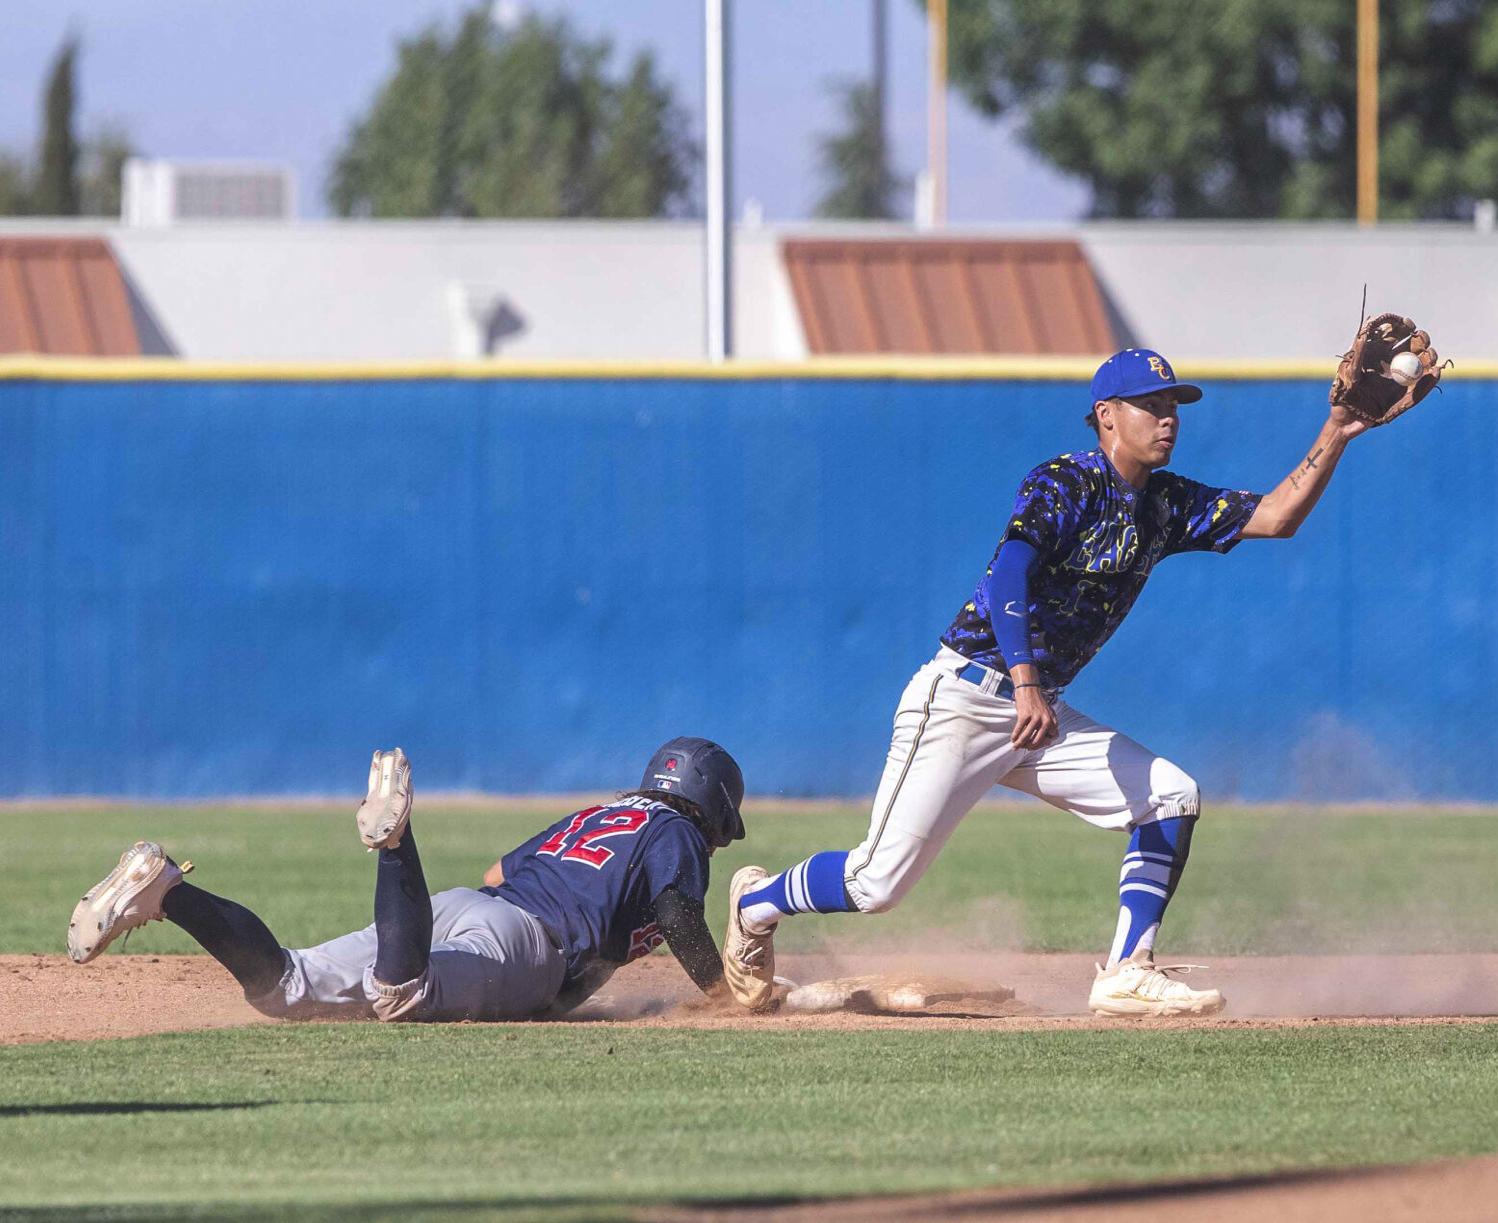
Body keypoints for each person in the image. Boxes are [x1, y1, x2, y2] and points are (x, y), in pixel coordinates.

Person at [722, 347, 1385, 1017]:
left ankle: (1126, 970)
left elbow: (1275, 516)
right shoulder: (1064, 482)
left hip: (1036, 715)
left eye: (1172, 406)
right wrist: (1027, 682)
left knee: (1170, 795)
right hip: (965, 698)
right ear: (1105, 416)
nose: (1167, 418)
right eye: (1151, 405)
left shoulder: (1165, 503)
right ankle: (754, 904)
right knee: (875, 882)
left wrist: (1335, 431)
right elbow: (1006, 574)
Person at [68, 737, 745, 1021]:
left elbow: (497, 871)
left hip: (462, 905)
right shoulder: (677, 832)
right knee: (402, 994)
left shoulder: (604, 812)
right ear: (711, 802)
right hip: (527, 943)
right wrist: (719, 993)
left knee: (285, 986)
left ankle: (166, 888)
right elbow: (679, 915)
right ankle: (397, 843)